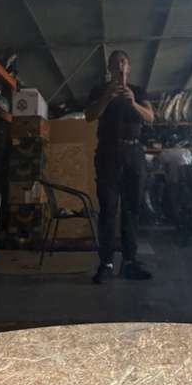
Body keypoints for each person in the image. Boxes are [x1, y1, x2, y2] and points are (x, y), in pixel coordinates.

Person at [84, 50, 154, 283]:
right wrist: (107, 96)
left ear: (129, 67)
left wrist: (133, 102)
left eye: (123, 62)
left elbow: (150, 117)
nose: (119, 66)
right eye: (115, 63)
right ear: (110, 69)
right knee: (108, 209)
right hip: (108, 153)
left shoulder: (138, 91)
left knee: (132, 209)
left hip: (134, 153)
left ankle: (129, 262)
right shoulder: (98, 90)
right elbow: (89, 116)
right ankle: (106, 263)